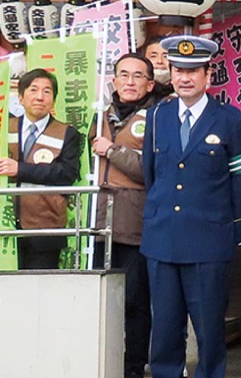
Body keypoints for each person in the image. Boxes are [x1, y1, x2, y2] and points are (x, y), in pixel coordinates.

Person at [141, 36, 241, 378]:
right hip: (162, 240)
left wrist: (230, 231)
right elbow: (151, 173)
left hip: (209, 241)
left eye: (193, 70)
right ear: (170, 73)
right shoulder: (157, 116)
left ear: (207, 74)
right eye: (178, 70)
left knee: (209, 330)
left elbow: (240, 180)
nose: (184, 77)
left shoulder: (230, 119)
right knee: (165, 330)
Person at [90, 54, 156, 378]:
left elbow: (151, 170)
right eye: (123, 75)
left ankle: (133, 367)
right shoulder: (98, 116)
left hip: (136, 222)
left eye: (137, 76)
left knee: (134, 300)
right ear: (113, 81)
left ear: (150, 83)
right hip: (98, 224)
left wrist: (112, 151)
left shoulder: (157, 118)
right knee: (100, 299)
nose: (130, 82)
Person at [5, 68, 84, 270]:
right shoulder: (5, 127)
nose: (40, 97)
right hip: (5, 226)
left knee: (39, 292)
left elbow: (67, 174)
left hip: (45, 228)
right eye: (33, 90)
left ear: (53, 100)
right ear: (21, 98)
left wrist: (20, 169)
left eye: (47, 91)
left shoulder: (68, 133)